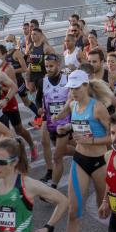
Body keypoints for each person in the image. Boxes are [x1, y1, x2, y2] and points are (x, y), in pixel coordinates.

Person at [54, 70, 112, 232]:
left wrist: (92, 141)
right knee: (73, 213)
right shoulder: (72, 105)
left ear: (86, 86)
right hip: (80, 161)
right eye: (71, 88)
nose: (74, 92)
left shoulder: (98, 108)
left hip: (100, 163)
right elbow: (77, 126)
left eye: (77, 88)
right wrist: (66, 127)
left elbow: (113, 135)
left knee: (105, 208)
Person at [36, 54, 70, 187]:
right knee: (64, 149)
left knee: (57, 156)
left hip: (65, 122)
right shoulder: (42, 82)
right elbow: (38, 99)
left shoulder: (67, 79)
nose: (49, 69)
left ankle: (53, 185)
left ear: (58, 64)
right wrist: (39, 108)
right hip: (50, 121)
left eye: (51, 66)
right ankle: (84, 155)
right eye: (46, 66)